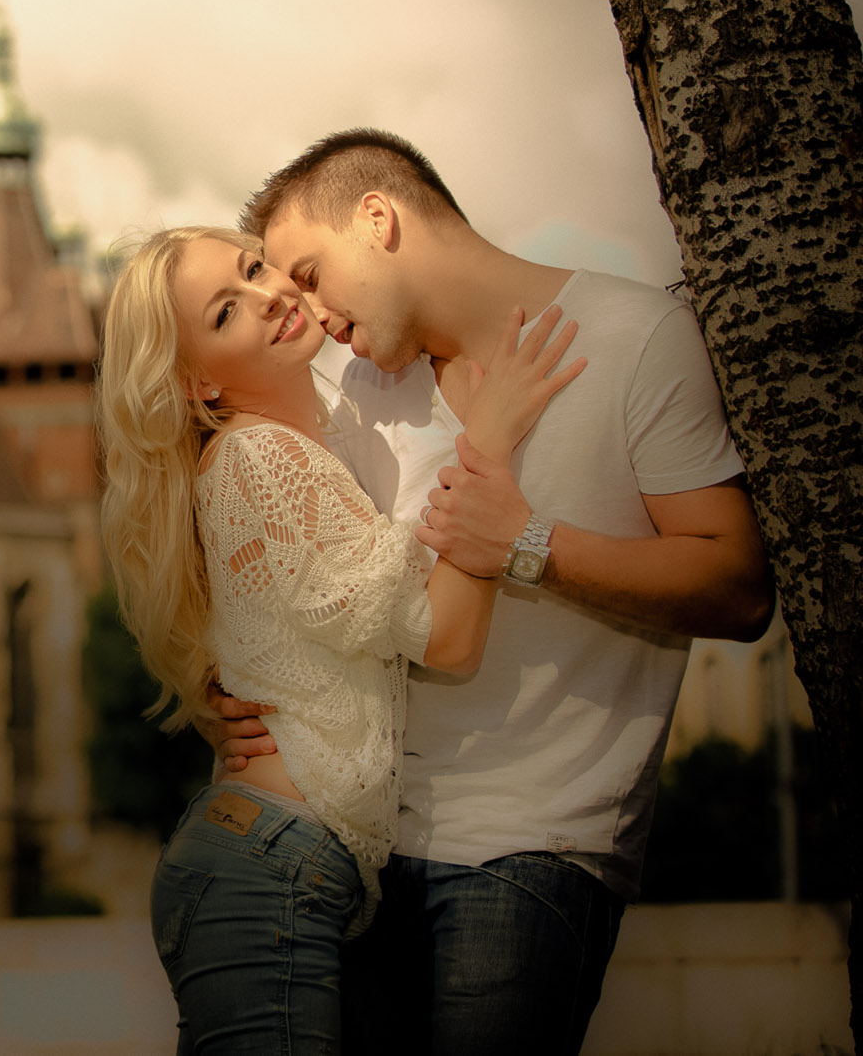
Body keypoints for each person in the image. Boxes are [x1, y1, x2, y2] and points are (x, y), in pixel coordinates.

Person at [216, 128, 772, 1056]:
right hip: (357, 846)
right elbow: (308, 590)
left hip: (534, 847)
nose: (303, 311)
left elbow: (737, 583)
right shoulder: (349, 391)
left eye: (307, 273)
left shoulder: (636, 337)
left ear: (378, 219)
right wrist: (230, 689)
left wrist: (530, 543)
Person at [97, 223, 584, 1054]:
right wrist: (492, 442)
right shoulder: (263, 464)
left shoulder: (299, 445)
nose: (269, 293)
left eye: (254, 268)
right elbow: (449, 637)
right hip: (268, 870)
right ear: (197, 384)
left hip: (279, 865)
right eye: (226, 310)